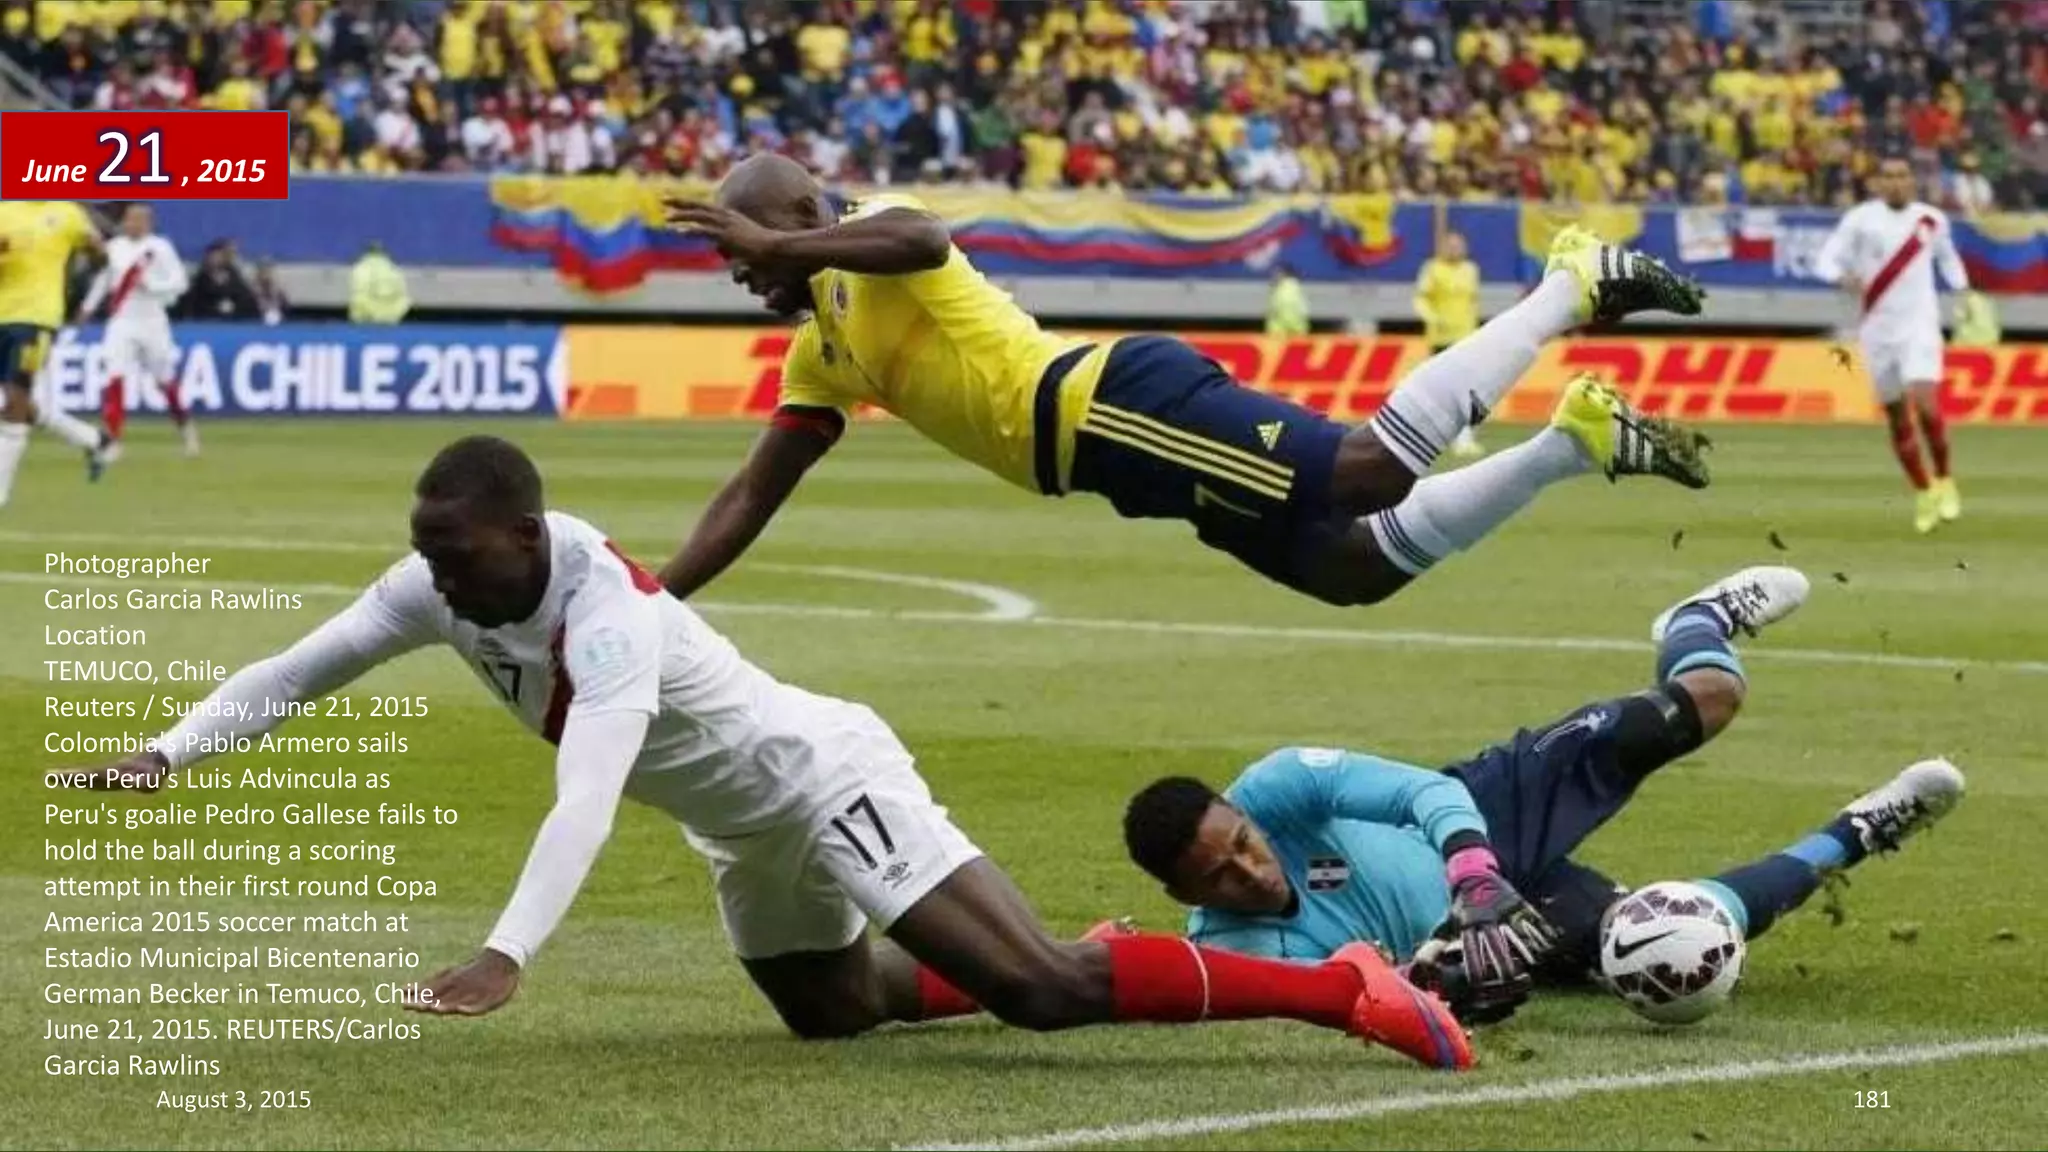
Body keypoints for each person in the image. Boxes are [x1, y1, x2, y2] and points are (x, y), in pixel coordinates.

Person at [71, 435, 1474, 1071]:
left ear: (522, 535)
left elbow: (586, 793)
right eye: (425, 553)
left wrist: (508, 951)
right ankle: (1045, 943)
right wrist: (168, 755)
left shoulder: (607, 614)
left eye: (453, 553)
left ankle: (1338, 997)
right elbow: (297, 670)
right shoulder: (433, 584)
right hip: (745, 828)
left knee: (1044, 997)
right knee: (835, 1012)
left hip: (823, 780)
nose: (431, 578)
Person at [660, 154, 1709, 612]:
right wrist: (656, 599)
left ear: (801, 216)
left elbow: (924, 235)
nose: (743, 270)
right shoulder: (818, 352)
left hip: (1102, 403)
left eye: (749, 246)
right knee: (1352, 570)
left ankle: (1568, 284)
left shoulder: (868, 235)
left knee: (1368, 472)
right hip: (1114, 465)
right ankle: (1569, 441)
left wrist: (782, 243)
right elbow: (752, 494)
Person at [1118, 566, 1965, 1022]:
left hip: (1482, 811)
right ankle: (1858, 831)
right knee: (1675, 946)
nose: (1250, 871)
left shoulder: (1278, 786)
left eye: (1244, 844)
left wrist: (1476, 873)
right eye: (1219, 876)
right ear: (1183, 896)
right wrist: (1442, 980)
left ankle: (1695, 622)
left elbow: (1418, 792)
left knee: (1709, 701)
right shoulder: (1232, 949)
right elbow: (1358, 990)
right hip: (1479, 939)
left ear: (1242, 816)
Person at [1815, 156, 1969, 534]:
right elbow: (1825, 260)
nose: (1897, 183)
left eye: (1903, 176)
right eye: (1889, 177)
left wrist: (1963, 293)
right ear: (1878, 183)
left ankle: (1946, 479)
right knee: (1898, 416)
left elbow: (1949, 260)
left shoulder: (1930, 219)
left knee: (1927, 406)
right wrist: (1842, 277)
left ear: (1912, 181)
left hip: (1920, 325)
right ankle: (1924, 490)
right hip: (1877, 330)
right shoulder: (1860, 220)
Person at [0, 198, 112, 503]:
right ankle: (92, 438)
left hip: (36, 319)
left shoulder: (67, 213)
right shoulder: (4, 212)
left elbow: (101, 253)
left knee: (15, 399)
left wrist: (79, 278)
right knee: (11, 401)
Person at [76, 203, 195, 459]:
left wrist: (151, 285)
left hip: (152, 321)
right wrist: (87, 307)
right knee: (114, 376)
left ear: (148, 223)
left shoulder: (160, 248)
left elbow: (180, 282)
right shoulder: (115, 248)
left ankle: (186, 429)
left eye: (138, 220)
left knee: (164, 381)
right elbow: (103, 280)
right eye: (129, 219)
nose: (132, 224)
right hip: (122, 321)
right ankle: (113, 441)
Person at [1414, 220, 1487, 459]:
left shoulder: (1471, 270)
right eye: (1451, 245)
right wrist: (1433, 318)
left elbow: (1473, 303)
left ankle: (1464, 439)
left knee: (1468, 391)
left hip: (1466, 338)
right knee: (1443, 391)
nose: (1456, 249)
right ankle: (1437, 437)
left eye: (1459, 245)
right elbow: (1420, 300)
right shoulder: (1432, 268)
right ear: (1443, 247)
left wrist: (1477, 331)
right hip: (1441, 338)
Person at [177, 240, 261, 321]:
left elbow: (251, 311)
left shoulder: (238, 285)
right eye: (213, 256)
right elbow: (187, 308)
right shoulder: (197, 284)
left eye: (220, 255)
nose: (215, 259)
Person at [348, 242, 411, 324]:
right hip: (391, 319)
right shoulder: (395, 270)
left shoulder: (360, 269)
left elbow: (358, 295)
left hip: (365, 322)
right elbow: (403, 297)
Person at [1265, 263, 1309, 337]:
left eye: (1277, 273)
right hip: (1297, 328)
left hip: (1279, 330)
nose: (1274, 276)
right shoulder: (1296, 287)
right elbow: (1303, 310)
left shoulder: (1282, 289)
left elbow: (1276, 309)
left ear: (1284, 274)